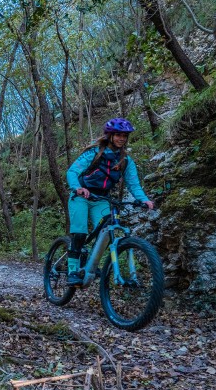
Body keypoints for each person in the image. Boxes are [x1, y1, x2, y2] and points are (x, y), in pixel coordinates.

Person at [65, 118, 154, 286]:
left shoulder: (125, 161)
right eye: (118, 135)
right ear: (110, 135)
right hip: (82, 196)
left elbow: (134, 184)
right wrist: (77, 187)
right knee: (80, 232)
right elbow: (72, 171)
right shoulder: (94, 153)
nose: (122, 138)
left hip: (102, 198)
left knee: (106, 232)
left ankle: (89, 262)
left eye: (124, 136)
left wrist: (144, 199)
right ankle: (72, 271)